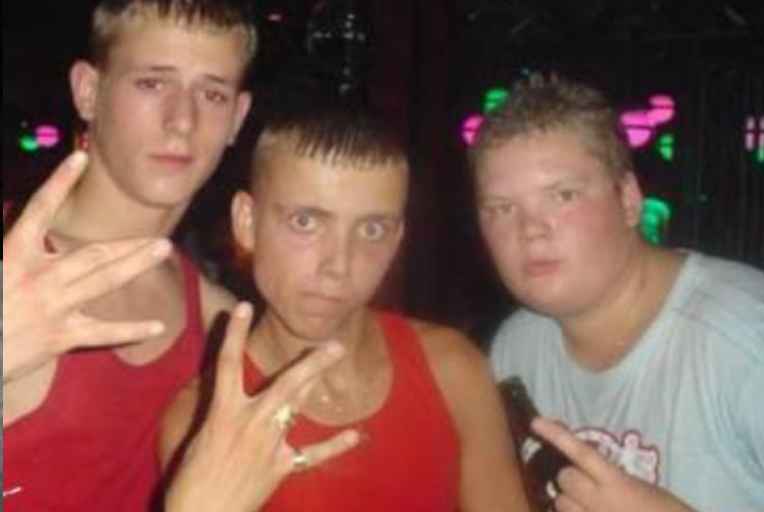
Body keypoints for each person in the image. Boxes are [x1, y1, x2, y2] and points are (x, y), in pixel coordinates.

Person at [3, 2, 355, 510]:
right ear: (88, 91)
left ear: (237, 118)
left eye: (212, 94)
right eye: (152, 83)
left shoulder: (219, 324)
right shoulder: (12, 277)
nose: (182, 121)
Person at [160, 107, 532, 511]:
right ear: (247, 222)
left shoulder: (452, 368)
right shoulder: (203, 422)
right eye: (305, 222)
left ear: (396, 240)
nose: (338, 265)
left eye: (372, 229)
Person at [470, 73, 764, 511]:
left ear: (629, 200)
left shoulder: (748, 342)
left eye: (563, 195)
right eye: (502, 208)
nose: (530, 229)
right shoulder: (517, 349)